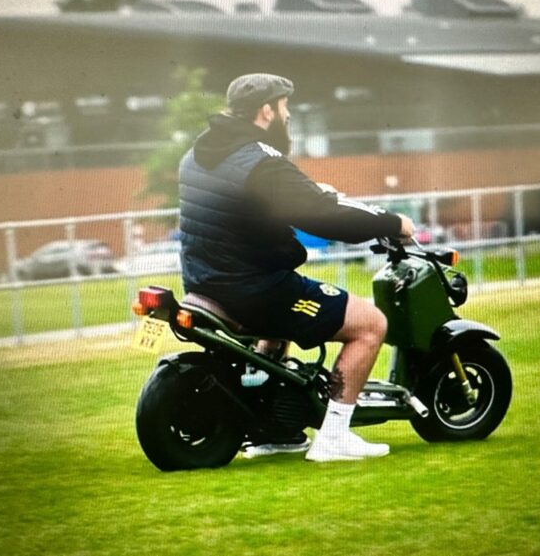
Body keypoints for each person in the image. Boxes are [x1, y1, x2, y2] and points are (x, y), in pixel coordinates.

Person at [178, 73, 415, 462]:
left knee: (278, 324)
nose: (288, 115)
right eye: (285, 106)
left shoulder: (197, 155)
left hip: (206, 282)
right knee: (370, 324)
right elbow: (322, 217)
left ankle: (276, 430)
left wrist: (308, 196)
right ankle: (334, 437)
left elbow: (254, 206)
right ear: (266, 111)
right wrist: (392, 223)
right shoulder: (261, 161)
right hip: (256, 290)